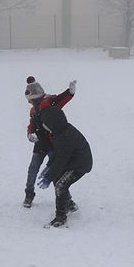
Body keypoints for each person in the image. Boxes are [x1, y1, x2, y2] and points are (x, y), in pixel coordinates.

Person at [28, 82, 93, 228]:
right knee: (58, 179)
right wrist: (49, 168)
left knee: (60, 185)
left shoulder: (65, 137)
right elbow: (57, 157)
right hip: (73, 161)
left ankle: (60, 217)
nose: (44, 127)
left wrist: (50, 173)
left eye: (45, 124)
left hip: (80, 164)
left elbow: (61, 159)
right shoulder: (58, 133)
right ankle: (69, 204)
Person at [23, 76, 76, 208]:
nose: (29, 103)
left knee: (56, 172)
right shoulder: (33, 110)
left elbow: (61, 99)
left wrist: (69, 92)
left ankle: (67, 201)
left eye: (30, 100)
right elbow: (31, 125)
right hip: (40, 145)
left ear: (35, 97)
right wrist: (30, 134)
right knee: (32, 169)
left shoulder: (49, 102)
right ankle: (29, 194)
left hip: (54, 144)